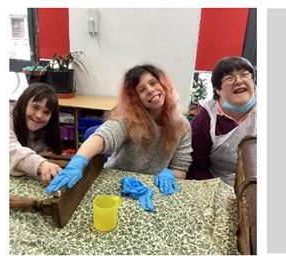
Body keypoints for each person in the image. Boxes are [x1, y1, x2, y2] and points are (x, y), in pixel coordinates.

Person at [46, 64, 192, 197]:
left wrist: (170, 174)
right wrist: (78, 161)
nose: (150, 90)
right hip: (117, 184)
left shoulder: (182, 126)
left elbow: (180, 168)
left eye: (153, 83)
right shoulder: (129, 120)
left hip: (151, 188)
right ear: (135, 99)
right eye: (142, 90)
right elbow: (103, 136)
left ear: (164, 84)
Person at [188, 57, 256, 186]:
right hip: (220, 188)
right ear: (217, 90)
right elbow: (196, 169)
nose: (239, 81)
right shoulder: (205, 120)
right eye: (229, 78)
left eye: (245, 75)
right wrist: (223, 191)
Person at [9, 83, 64, 184]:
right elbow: (10, 148)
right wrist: (41, 165)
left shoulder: (45, 127)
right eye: (35, 107)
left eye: (46, 112)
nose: (39, 116)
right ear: (23, 102)